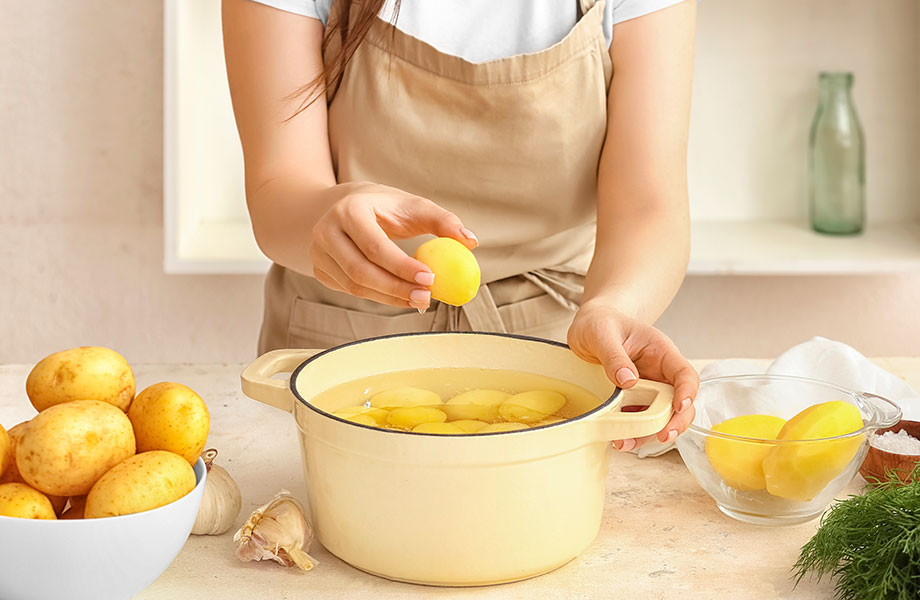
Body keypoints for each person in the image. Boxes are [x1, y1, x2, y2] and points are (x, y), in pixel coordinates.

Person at [223, 0, 699, 450]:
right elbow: (277, 191)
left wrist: (615, 307)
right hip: (339, 362)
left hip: (564, 357)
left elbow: (648, 202)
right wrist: (327, 216)